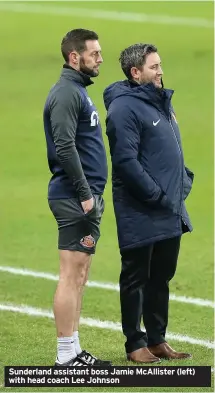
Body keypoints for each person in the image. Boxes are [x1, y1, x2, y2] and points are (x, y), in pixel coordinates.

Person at [103, 43, 194, 363]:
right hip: (141, 208)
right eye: (154, 67)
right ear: (135, 72)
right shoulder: (124, 108)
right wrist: (155, 194)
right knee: (136, 277)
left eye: (160, 65)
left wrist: (183, 180)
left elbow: (169, 150)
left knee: (161, 276)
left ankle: (157, 339)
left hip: (169, 205)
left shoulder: (158, 101)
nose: (160, 71)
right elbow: (126, 162)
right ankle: (134, 343)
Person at [43, 29, 111, 366]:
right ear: (75, 57)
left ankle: (74, 349)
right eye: (94, 53)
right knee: (71, 274)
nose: (100, 58)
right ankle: (65, 355)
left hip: (83, 196)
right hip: (74, 197)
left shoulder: (77, 91)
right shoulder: (67, 93)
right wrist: (86, 194)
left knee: (80, 274)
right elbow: (64, 146)